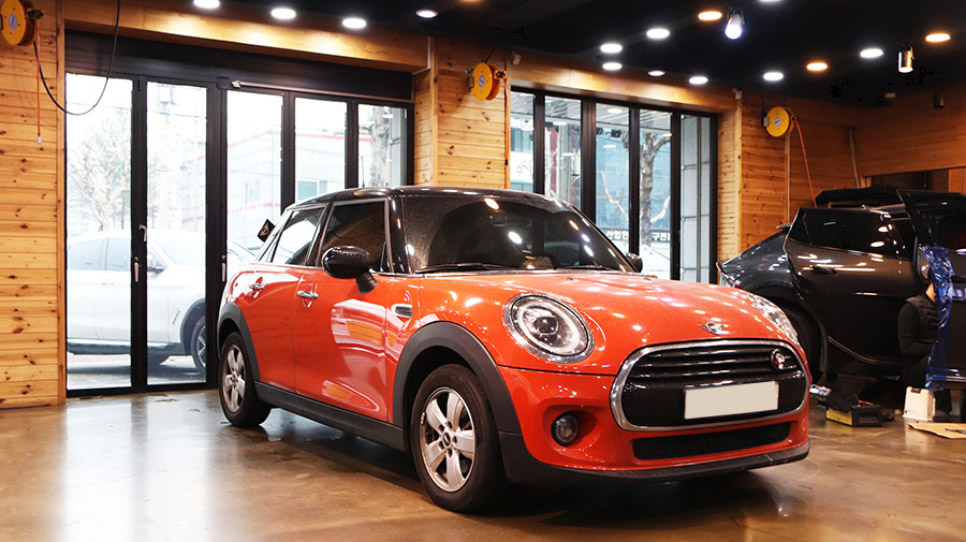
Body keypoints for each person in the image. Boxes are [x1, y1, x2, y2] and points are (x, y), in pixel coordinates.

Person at [898, 276, 953, 421]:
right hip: (915, 368)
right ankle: (942, 409)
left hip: (937, 359)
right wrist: (936, 348)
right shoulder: (912, 308)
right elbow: (907, 348)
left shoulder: (945, 310)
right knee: (938, 358)